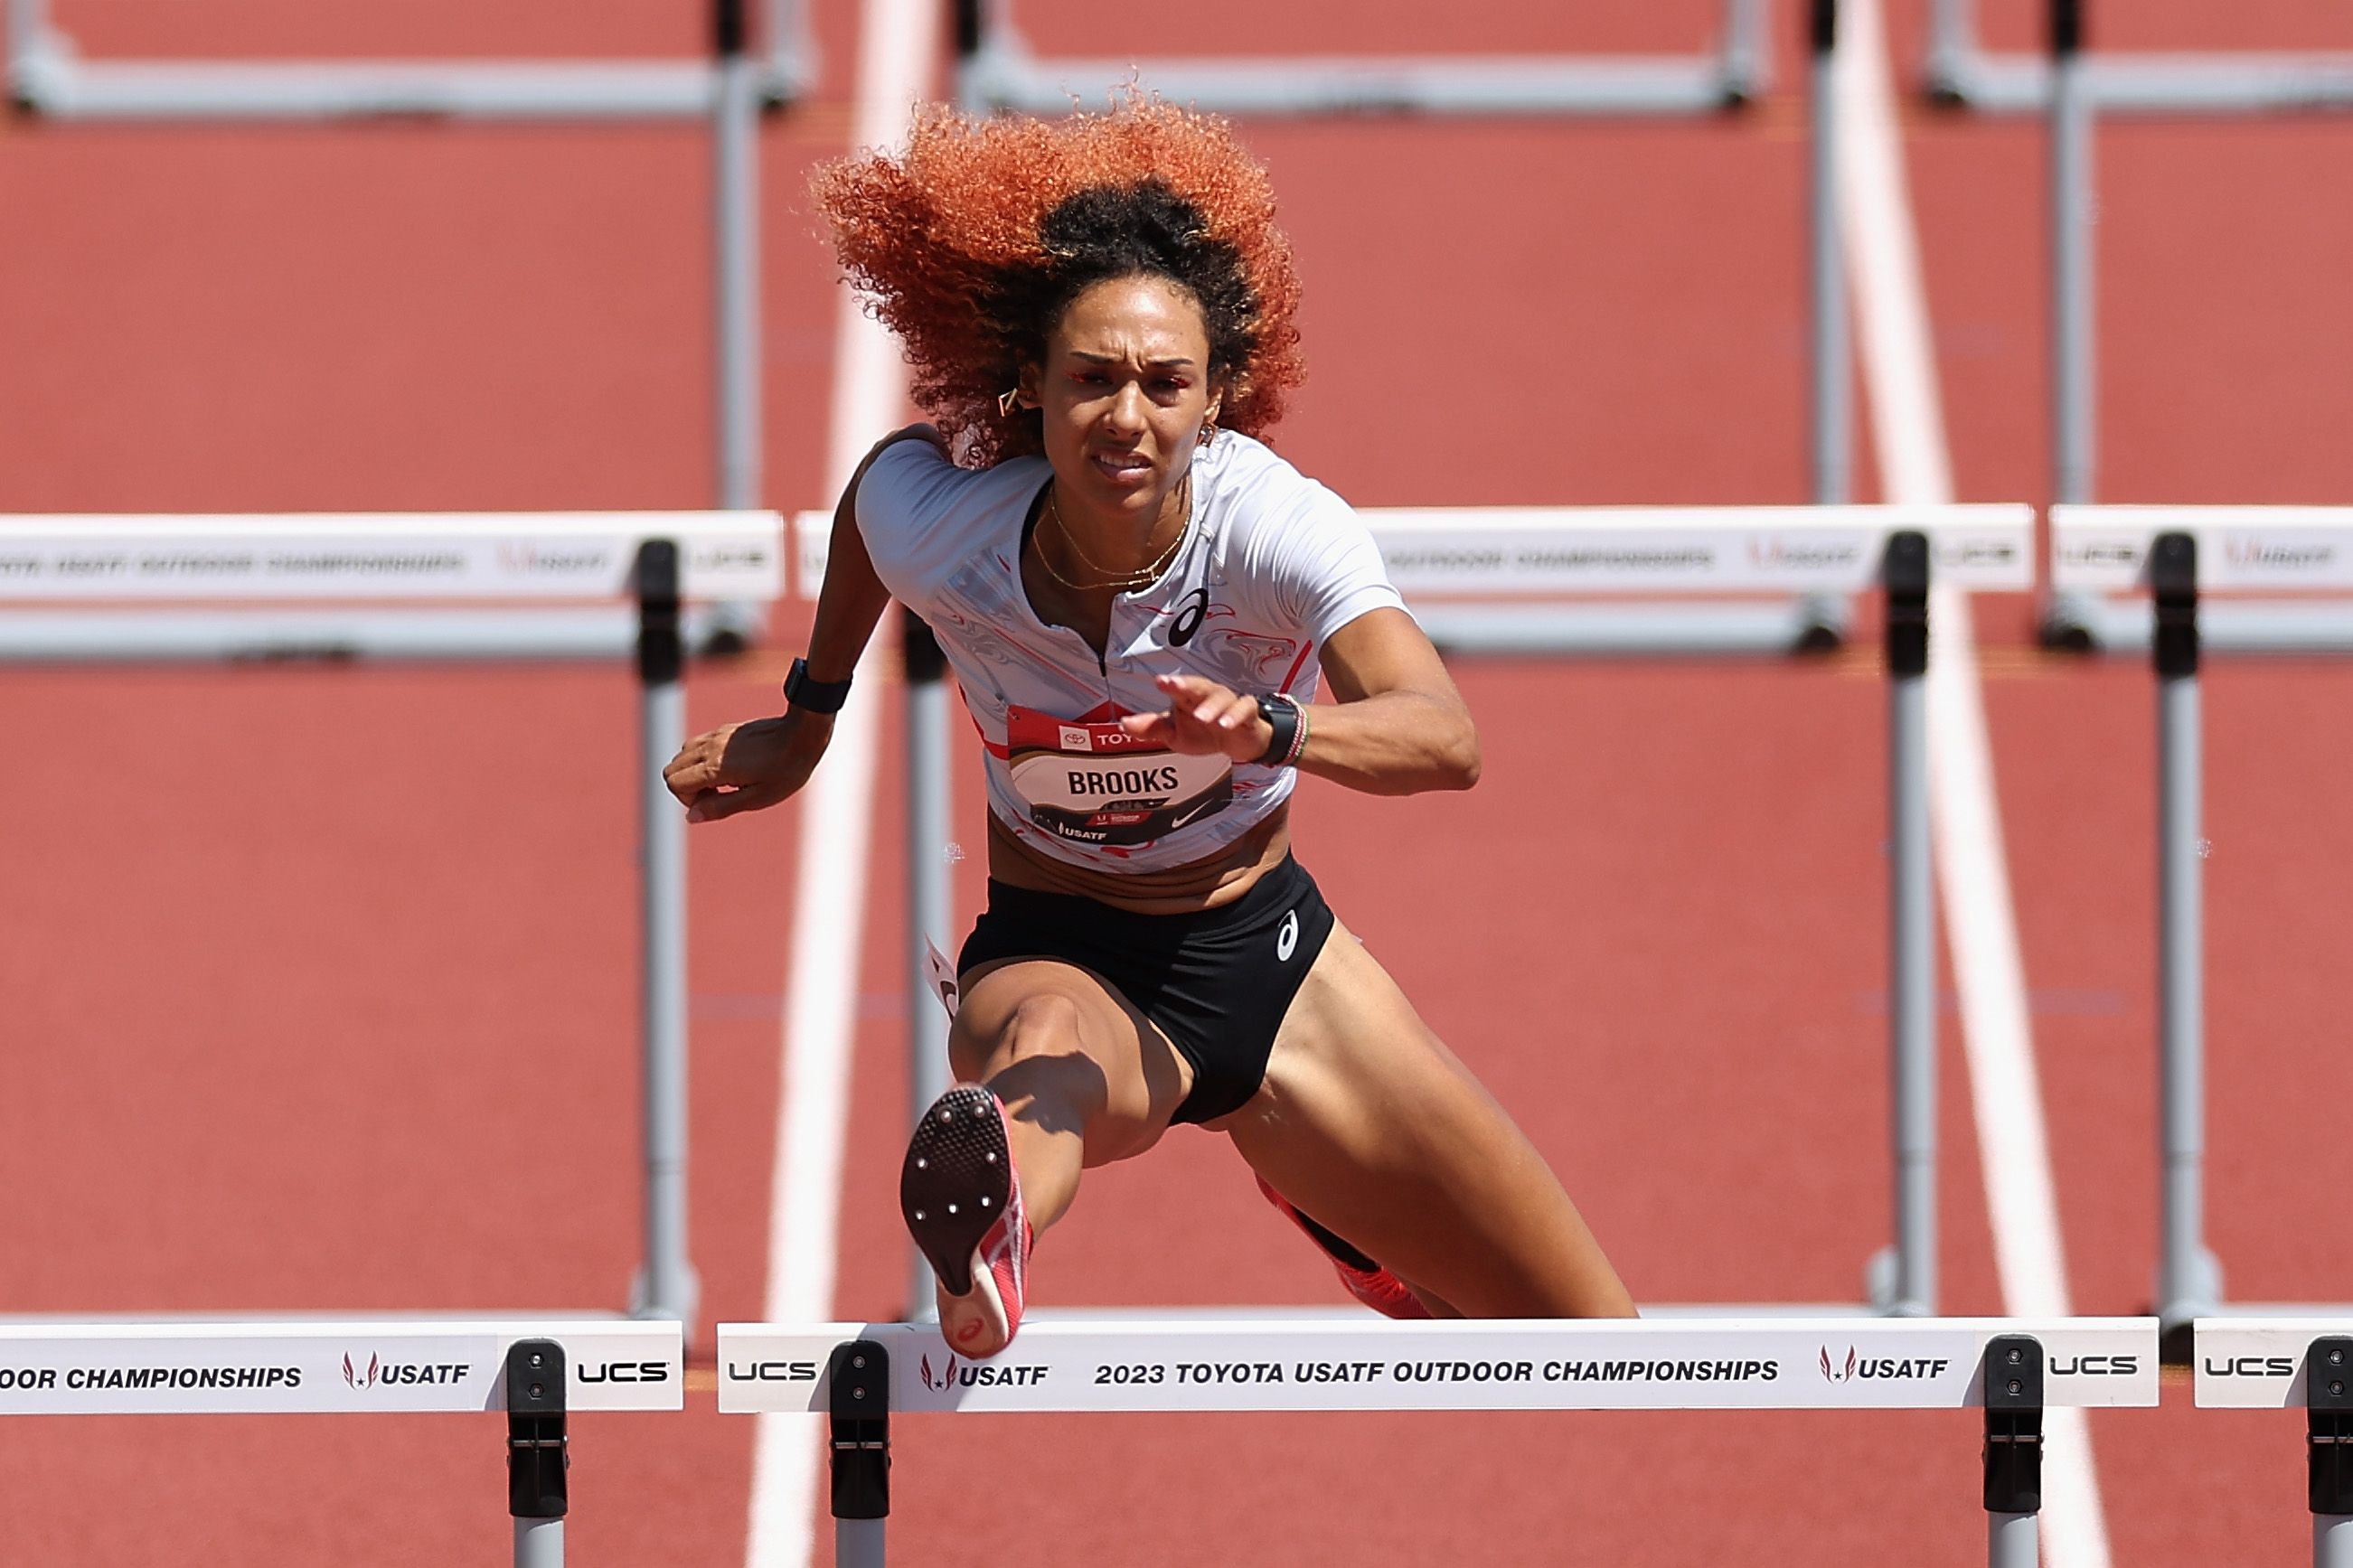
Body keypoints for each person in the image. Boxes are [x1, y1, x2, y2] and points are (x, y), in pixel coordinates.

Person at [664, 95, 1634, 1357]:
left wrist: (1280, 731)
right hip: (1057, 946)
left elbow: (1443, 736)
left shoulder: (1276, 532)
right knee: (1047, 1060)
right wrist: (808, 717)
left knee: (1604, 1349)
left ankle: (1337, 1209)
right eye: (1093, 380)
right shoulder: (948, 524)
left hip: (1271, 963)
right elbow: (868, 509)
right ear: (1030, 382)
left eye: (1166, 383)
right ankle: (990, 1227)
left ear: (1218, 395)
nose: (1128, 416)